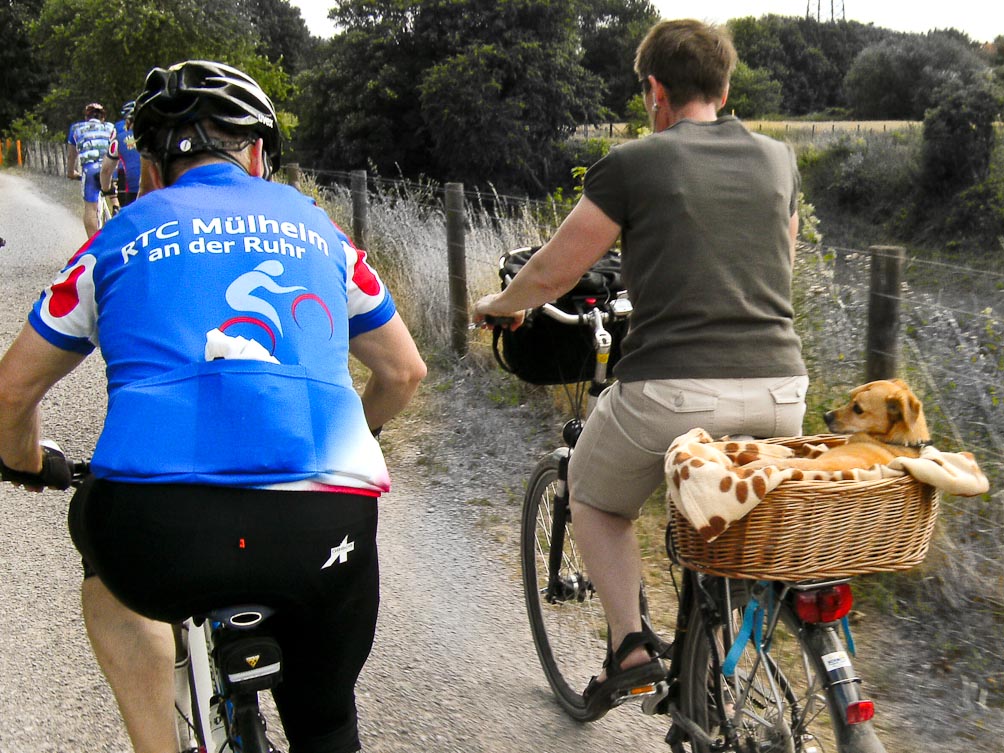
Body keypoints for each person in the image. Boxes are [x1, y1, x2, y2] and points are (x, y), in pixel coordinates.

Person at [0, 59, 426, 753]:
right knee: (326, 723)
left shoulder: (117, 237)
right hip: (323, 526)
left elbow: (11, 391)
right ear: (257, 155)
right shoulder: (321, 231)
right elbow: (404, 372)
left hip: (157, 529)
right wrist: (360, 429)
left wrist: (23, 459)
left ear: (149, 167)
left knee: (103, 558)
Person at [474, 18, 807, 713]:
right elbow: (781, 262)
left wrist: (500, 305)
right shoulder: (780, 160)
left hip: (674, 391)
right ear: (724, 87)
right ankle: (711, 657)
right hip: (783, 391)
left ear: (655, 90)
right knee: (727, 522)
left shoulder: (634, 163)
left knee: (593, 496)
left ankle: (630, 648)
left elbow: (557, 270)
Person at [66, 102, 116, 237]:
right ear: (103, 117)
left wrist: (71, 172)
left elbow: (71, 156)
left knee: (91, 208)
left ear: (86, 117)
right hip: (110, 168)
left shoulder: (76, 128)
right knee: (116, 199)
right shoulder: (111, 127)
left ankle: (94, 244)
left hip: (90, 170)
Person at [100, 100, 142, 210]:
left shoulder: (118, 136)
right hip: (159, 190)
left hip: (132, 189)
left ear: (127, 121)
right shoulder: (158, 133)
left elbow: (106, 170)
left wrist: (106, 189)